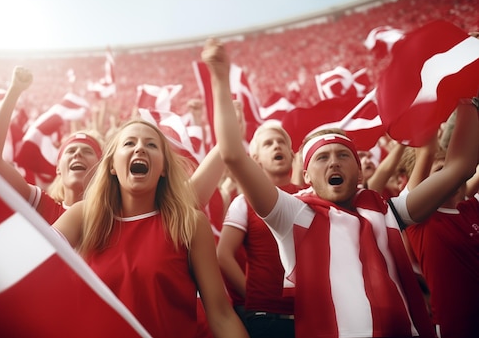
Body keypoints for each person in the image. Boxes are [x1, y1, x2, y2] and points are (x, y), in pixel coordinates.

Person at [202, 37, 479, 338]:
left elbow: (460, 167)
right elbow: (233, 154)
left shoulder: (387, 211)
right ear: (306, 175)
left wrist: (466, 94)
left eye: (343, 155)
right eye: (322, 157)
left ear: (358, 169)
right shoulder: (293, 214)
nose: (333, 162)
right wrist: (219, 76)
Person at [52, 119, 248, 338]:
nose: (139, 148)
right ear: (111, 166)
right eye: (129, 143)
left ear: (163, 168)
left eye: (151, 145)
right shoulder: (83, 215)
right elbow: (34, 258)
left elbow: (221, 315)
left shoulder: (190, 223)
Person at [0, 66, 104, 224]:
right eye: (70, 151)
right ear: (58, 169)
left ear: (101, 167)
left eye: (87, 151)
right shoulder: (44, 207)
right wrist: (14, 90)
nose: (77, 154)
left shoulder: (113, 216)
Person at [217, 121, 301, 338]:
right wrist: (253, 295)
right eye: (268, 144)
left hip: (311, 314)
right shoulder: (242, 203)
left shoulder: (310, 198)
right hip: (266, 319)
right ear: (256, 159)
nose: (276, 146)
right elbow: (223, 254)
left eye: (281, 142)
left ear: (292, 156)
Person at [403, 100, 479, 337]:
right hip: (454, 331)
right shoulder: (420, 220)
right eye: (440, 173)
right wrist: (465, 101)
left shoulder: (472, 207)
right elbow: (460, 166)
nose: (450, 178)